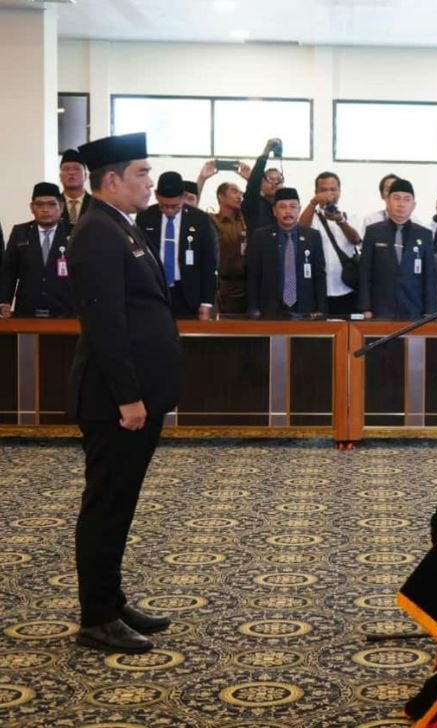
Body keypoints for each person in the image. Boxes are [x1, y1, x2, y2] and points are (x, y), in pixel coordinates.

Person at [67, 131, 181, 654]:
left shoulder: (117, 225)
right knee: (107, 506)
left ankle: (111, 601)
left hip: (132, 396)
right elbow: (106, 324)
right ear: (111, 180)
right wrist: (128, 398)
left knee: (121, 503)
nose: (150, 181)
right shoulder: (97, 231)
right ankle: (97, 618)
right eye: (142, 173)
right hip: (114, 401)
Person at [135, 172, 217, 320]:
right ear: (156, 195)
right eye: (164, 206)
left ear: (183, 197)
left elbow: (208, 263)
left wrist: (206, 302)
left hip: (187, 293)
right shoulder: (145, 217)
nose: (169, 211)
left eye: (174, 206)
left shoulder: (199, 219)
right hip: (155, 290)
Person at [358, 179, 436, 320]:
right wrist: (365, 307)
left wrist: (430, 311)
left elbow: (429, 276)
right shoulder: (373, 232)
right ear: (387, 201)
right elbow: (365, 272)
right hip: (380, 307)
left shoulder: (424, 235)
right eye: (396, 198)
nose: (401, 204)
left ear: (413, 205)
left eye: (407, 199)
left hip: (414, 308)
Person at [246, 187, 327, 319]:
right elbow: (253, 274)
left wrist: (320, 308)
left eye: (293, 206)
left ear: (299, 209)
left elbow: (319, 274)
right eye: (282, 207)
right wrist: (253, 307)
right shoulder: (261, 236)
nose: (288, 211)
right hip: (269, 307)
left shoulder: (313, 236)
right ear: (274, 211)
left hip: (305, 307)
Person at [0, 182, 75, 318]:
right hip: (27, 310)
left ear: (61, 206)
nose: (45, 210)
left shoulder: (75, 233)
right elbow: (9, 271)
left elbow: (84, 272)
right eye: (40, 204)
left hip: (65, 310)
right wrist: (4, 301)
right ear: (32, 207)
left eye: (51, 204)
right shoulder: (20, 232)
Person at [300, 172, 361, 316]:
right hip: (318, 288)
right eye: (323, 190)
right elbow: (301, 231)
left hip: (346, 286)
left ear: (339, 191)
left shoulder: (349, 214)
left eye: (333, 189)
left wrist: (340, 221)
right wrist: (313, 202)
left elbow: (356, 240)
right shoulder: (311, 214)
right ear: (316, 192)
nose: (329, 194)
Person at [210, 181, 249, 314]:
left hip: (247, 286)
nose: (239, 196)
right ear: (221, 196)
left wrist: (251, 178)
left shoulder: (247, 221)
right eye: (234, 191)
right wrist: (202, 178)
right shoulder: (212, 220)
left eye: (241, 193)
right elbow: (190, 209)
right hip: (223, 287)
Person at [241, 138, 284, 236]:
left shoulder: (284, 205)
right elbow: (253, 185)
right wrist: (265, 153)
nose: (275, 183)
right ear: (261, 183)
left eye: (279, 180)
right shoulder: (253, 203)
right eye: (270, 179)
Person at [59, 148, 92, 228]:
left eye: (77, 169)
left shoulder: (96, 204)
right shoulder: (54, 204)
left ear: (85, 175)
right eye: (66, 169)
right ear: (60, 176)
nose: (71, 172)